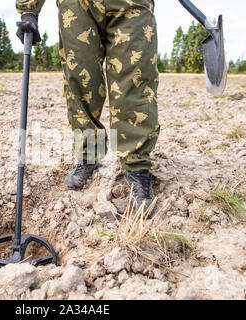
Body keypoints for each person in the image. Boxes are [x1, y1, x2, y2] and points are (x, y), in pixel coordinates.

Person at [16, 0, 160, 213]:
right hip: (76, 5)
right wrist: (29, 8)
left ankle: (137, 165)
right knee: (81, 84)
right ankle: (88, 155)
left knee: (135, 82)